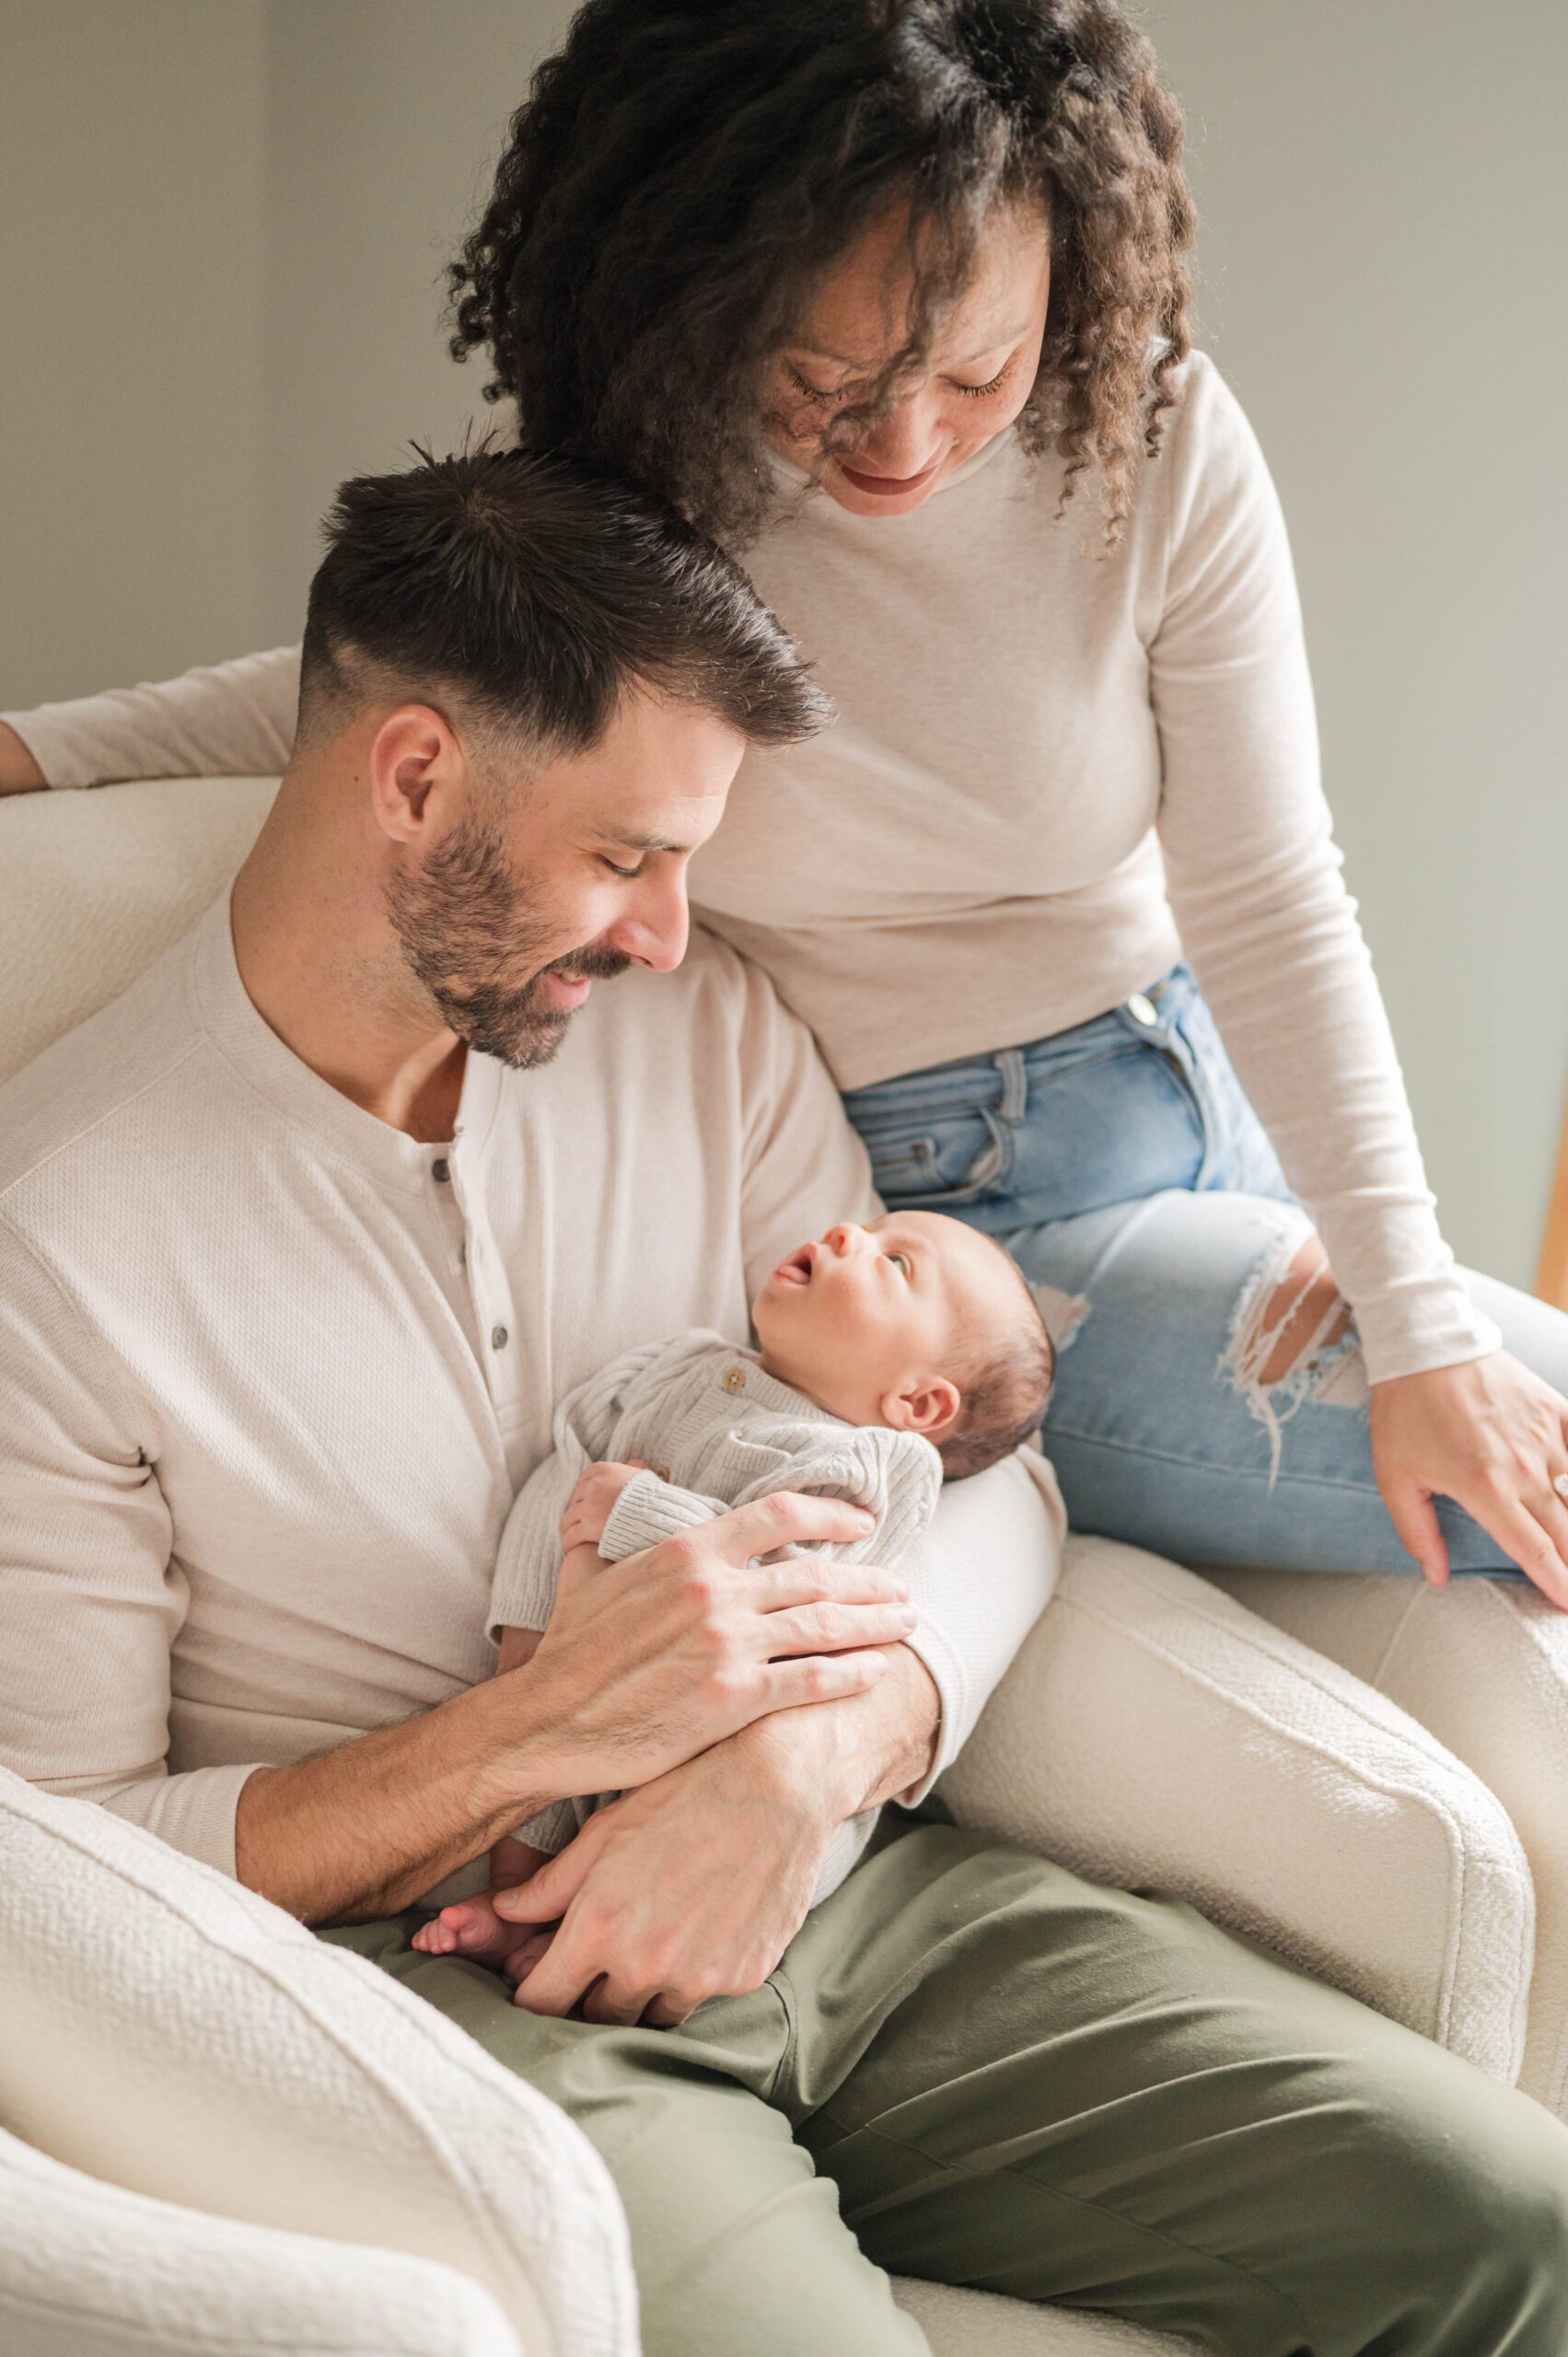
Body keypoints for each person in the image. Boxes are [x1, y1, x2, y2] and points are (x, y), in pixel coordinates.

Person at [6, 443, 1567, 2357]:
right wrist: (515, 1738)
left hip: (864, 1892)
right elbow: (59, 1864)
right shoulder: (59, 1250)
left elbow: (977, 1468)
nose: (666, 930)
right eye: (624, 855)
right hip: (462, 1983)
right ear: (412, 779)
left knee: (1514, 2222)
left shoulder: (699, 1029)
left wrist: (807, 1761)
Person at [9, 0, 1568, 1608]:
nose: (900, 444)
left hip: (1197, 1089)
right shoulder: (642, 477)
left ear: (1073, 275)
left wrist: (1414, 1310)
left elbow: (1266, 891)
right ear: (701, 300)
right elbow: (378, 688)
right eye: (821, 382)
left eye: (975, 369)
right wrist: (40, 751)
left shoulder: (1147, 435)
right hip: (966, 1237)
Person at [414, 1206, 1056, 1974]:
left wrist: (638, 1514)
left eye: (896, 1263)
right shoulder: (679, 1366)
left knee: (703, 1823)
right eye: (871, 1227)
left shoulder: (867, 1469)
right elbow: (571, 1467)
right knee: (545, 1789)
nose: (849, 1233)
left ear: (917, 1405)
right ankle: (515, 1908)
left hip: (729, 1726)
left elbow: (773, 1593)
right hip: (592, 1676)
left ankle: (584, 1932)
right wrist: (528, 1634)